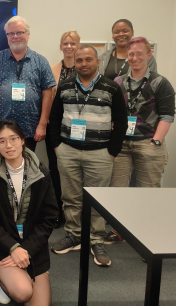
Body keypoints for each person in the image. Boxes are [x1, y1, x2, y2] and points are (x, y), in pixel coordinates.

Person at [47, 45, 128, 267]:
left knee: (98, 200)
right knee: (71, 197)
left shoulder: (111, 88)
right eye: (79, 60)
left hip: (100, 154)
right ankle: (73, 235)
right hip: (68, 151)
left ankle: (95, 240)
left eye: (88, 59)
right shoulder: (64, 86)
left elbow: (121, 122)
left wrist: (111, 153)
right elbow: (54, 119)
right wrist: (57, 147)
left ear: (97, 61)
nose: (83, 63)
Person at [0, 120, 58, 305]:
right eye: (2, 141)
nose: (9, 145)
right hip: (2, 247)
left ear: (23, 140)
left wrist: (26, 250)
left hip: (33, 248)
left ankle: (20, 272)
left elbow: (48, 218)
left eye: (13, 139)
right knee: (22, 292)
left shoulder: (41, 172)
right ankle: (4, 279)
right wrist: (13, 248)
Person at [104, 37, 176, 244]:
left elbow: (167, 115)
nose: (135, 58)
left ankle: (148, 236)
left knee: (148, 193)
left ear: (148, 55)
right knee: (118, 191)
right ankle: (120, 231)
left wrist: (156, 141)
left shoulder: (160, 83)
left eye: (139, 54)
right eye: (131, 54)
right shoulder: (119, 82)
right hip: (123, 145)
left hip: (148, 142)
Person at [0, 16, 56, 154]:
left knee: (26, 170)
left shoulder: (41, 61)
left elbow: (48, 93)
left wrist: (42, 124)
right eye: (11, 33)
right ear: (7, 36)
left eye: (19, 32)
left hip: (29, 128)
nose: (15, 36)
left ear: (28, 34)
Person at [47, 30, 80, 229]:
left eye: (72, 43)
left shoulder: (86, 69)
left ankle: (76, 213)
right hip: (55, 129)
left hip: (78, 131)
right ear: (61, 46)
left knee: (75, 171)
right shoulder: (52, 70)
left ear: (78, 45)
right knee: (56, 170)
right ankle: (59, 211)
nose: (68, 47)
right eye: (65, 43)